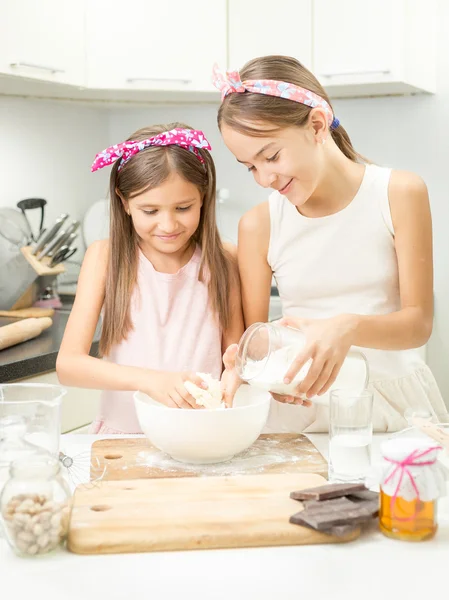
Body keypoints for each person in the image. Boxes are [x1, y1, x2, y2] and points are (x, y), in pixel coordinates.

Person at [213, 56, 446, 432]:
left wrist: (347, 327)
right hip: (304, 409)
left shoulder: (398, 193)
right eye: (250, 166)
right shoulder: (258, 224)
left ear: (317, 125)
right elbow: (255, 341)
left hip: (391, 409)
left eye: (271, 156)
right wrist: (249, 366)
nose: (263, 178)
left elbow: (418, 324)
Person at [56, 124, 243, 433]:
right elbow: (68, 365)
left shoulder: (223, 260)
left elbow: (232, 359)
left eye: (183, 208)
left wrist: (240, 367)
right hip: (122, 439)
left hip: (201, 437)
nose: (167, 224)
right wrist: (151, 380)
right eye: (150, 210)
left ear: (204, 197)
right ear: (124, 202)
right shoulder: (105, 258)